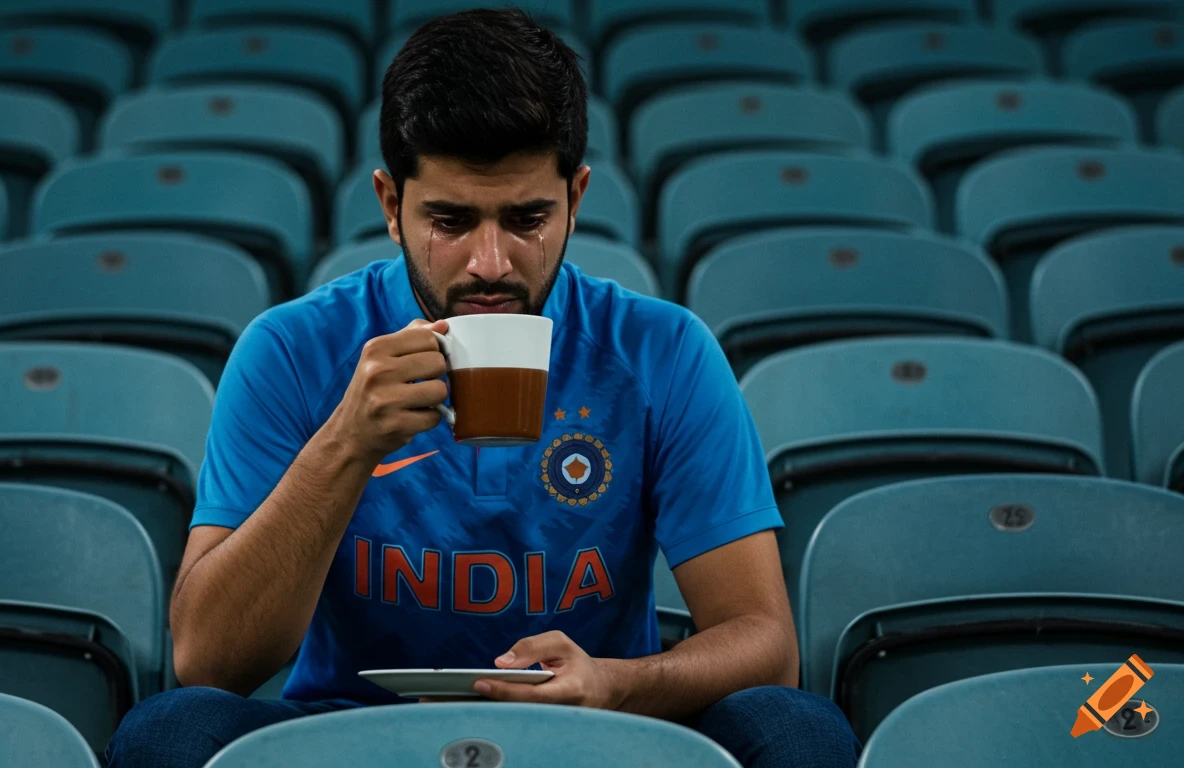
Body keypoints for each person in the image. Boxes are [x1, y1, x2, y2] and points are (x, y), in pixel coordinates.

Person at [107, 9, 860, 767]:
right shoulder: (292, 349)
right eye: (451, 220)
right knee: (168, 733)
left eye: (527, 217)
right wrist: (345, 442)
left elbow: (766, 646)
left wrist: (614, 685)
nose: (490, 263)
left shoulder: (663, 351)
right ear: (390, 206)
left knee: (796, 729)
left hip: (598, 732)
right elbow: (207, 660)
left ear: (578, 197)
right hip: (349, 734)